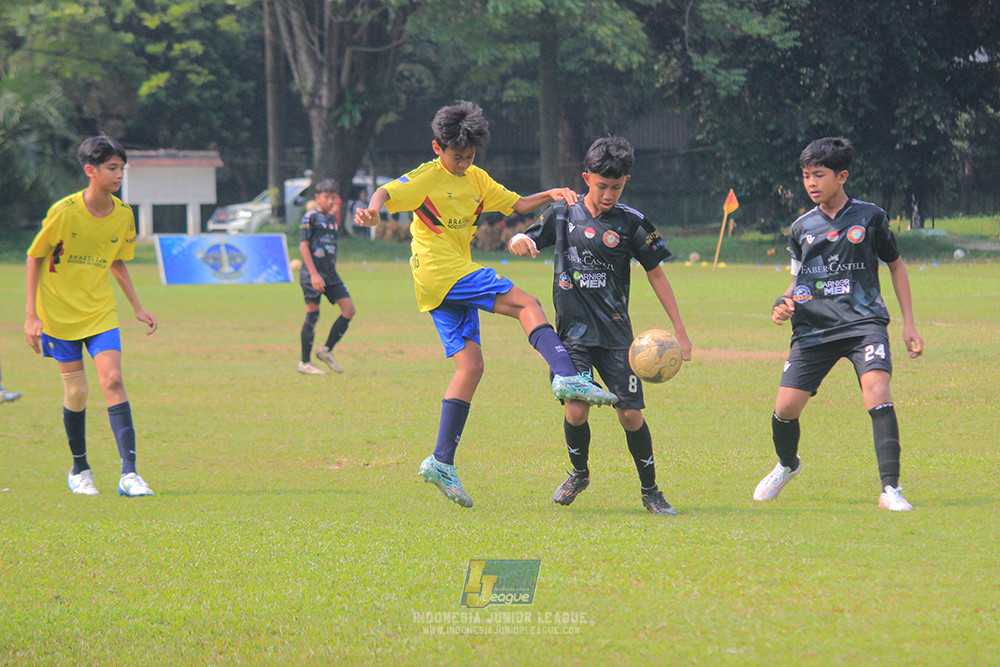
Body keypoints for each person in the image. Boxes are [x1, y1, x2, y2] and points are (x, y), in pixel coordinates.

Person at [354, 100, 618, 508]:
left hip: (442, 280)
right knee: (526, 303)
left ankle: (441, 461)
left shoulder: (476, 179)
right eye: (456, 156)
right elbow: (386, 191)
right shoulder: (427, 177)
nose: (462, 163)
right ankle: (566, 374)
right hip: (442, 271)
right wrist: (372, 211)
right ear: (437, 148)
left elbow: (516, 204)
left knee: (472, 366)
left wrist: (552, 193)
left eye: (469, 156)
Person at [509, 136, 693, 516]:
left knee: (630, 414)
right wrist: (518, 240)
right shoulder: (562, 213)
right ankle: (579, 473)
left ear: (626, 182)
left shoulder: (633, 222)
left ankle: (651, 491)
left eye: (617, 187)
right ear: (586, 177)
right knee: (576, 409)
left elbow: (657, 275)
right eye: (602, 186)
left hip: (616, 338)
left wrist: (679, 329)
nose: (608, 194)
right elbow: (526, 235)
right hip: (572, 337)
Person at [753, 136, 923, 511]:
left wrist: (909, 323)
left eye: (819, 175)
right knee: (785, 409)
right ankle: (787, 465)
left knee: (877, 389)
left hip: (864, 323)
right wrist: (783, 303)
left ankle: (890, 489)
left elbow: (895, 265)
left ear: (841, 176)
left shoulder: (870, 217)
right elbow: (798, 281)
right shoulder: (801, 228)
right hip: (813, 329)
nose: (811, 183)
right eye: (806, 176)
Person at [24, 134, 158, 497]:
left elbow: (116, 262)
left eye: (121, 168)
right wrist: (31, 316)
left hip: (100, 312)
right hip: (59, 316)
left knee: (113, 379)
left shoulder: (124, 215)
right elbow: (35, 256)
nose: (119, 175)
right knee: (78, 393)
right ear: (90, 171)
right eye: (112, 168)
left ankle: (129, 474)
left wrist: (138, 307)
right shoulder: (65, 212)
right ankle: (80, 468)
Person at [296, 178, 353, 375]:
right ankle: (304, 362)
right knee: (313, 315)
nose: (330, 201)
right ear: (317, 198)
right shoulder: (310, 217)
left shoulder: (331, 219)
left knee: (349, 310)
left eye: (333, 197)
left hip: (330, 274)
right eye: (326, 197)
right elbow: (304, 246)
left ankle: (326, 350)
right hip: (313, 274)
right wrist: (313, 274)